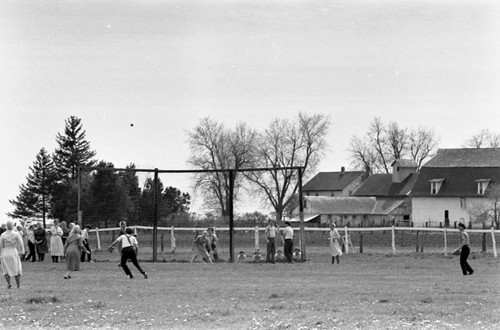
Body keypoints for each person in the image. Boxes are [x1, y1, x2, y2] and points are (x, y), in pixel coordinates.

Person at [0, 220, 25, 289]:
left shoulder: (3, 234)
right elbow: (21, 243)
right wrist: (22, 252)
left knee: (6, 269)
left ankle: (9, 283)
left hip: (5, 252)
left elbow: (0, 245)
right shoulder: (16, 234)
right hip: (13, 251)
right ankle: (18, 285)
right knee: (16, 268)